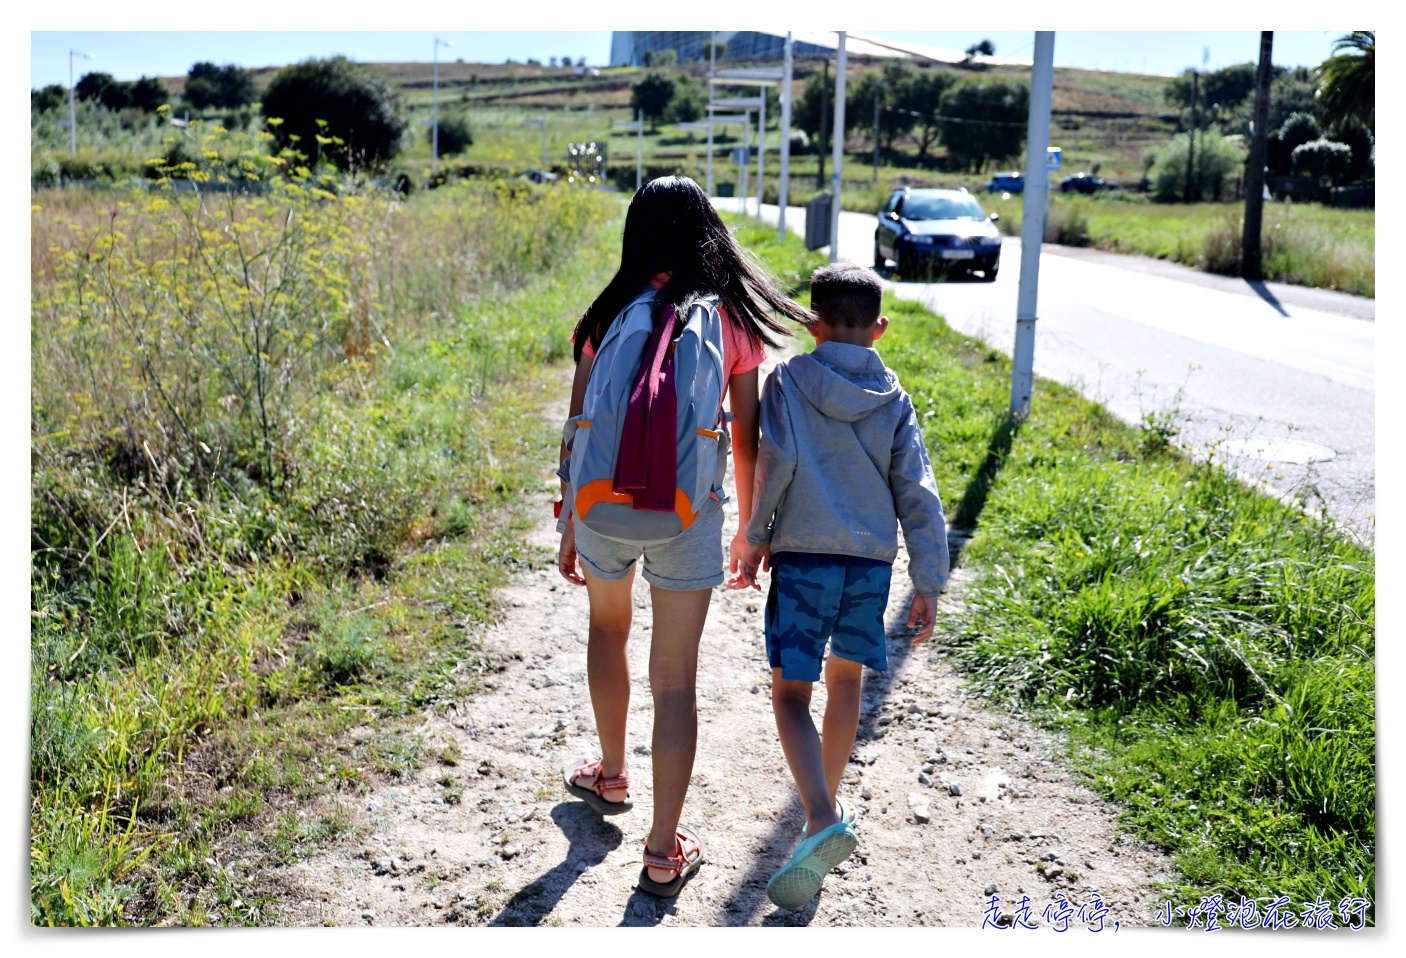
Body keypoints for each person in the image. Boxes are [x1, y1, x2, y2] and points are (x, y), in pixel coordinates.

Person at [556, 176, 812, 898]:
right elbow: (746, 443)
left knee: (608, 628)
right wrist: (748, 533)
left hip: (602, 505)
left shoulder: (605, 312)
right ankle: (664, 850)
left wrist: (569, 516)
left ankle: (609, 776)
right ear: (711, 233)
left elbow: (578, 426)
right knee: (675, 679)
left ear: (636, 234)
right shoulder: (730, 320)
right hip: (689, 514)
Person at [728, 262, 950, 910]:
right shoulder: (895, 398)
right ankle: (813, 823)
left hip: (805, 559)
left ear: (812, 323)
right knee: (846, 682)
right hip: (871, 564)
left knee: (792, 695)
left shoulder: (790, 380)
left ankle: (823, 818)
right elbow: (919, 491)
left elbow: (781, 461)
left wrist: (755, 534)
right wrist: (928, 579)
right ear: (879, 330)